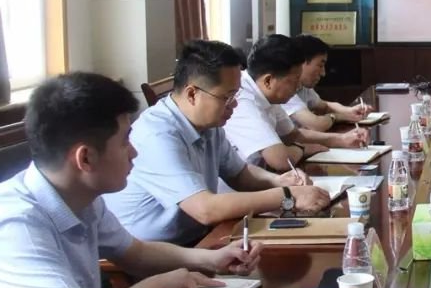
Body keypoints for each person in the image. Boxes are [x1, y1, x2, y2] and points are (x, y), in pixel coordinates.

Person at [0, 73, 261, 288]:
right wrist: (158, 286)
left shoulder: (80, 195)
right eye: (125, 141)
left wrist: (211, 259)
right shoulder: (17, 225)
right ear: (86, 159)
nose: (134, 152)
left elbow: (135, 252)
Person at [104, 40, 331, 245]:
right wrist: (287, 195)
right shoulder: (157, 135)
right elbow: (205, 209)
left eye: (236, 95)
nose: (234, 105)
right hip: (155, 254)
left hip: (199, 237)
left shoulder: (209, 124)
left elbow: (240, 174)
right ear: (192, 94)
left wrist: (278, 180)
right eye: (227, 97)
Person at [223, 34, 368, 172]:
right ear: (268, 81)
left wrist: (342, 139)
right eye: (295, 80)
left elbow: (293, 135)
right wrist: (303, 149)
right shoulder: (242, 100)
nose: (299, 86)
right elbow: (280, 159)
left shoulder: (267, 93)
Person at [285, 34, 371, 132]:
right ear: (302, 62)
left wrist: (349, 111)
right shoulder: (285, 90)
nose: (323, 73)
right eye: (320, 65)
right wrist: (336, 116)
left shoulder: (302, 87)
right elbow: (316, 125)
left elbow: (324, 106)